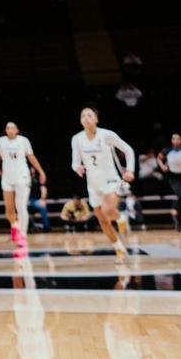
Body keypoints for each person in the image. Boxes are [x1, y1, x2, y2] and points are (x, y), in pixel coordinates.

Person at [71, 107, 135, 258]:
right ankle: (118, 247)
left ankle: (120, 218)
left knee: (107, 210)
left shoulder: (107, 135)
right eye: (83, 116)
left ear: (96, 119)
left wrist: (130, 170)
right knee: (102, 219)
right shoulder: (77, 138)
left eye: (89, 115)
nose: (86, 118)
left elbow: (129, 150)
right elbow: (74, 162)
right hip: (93, 184)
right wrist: (77, 167)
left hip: (111, 180)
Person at [0, 122, 48, 249]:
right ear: (5, 130)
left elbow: (31, 157)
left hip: (22, 177)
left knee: (21, 206)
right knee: (9, 211)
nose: (10, 129)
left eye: (13, 127)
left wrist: (41, 171)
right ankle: (14, 226)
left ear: (17, 130)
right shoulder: (1, 141)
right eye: (8, 127)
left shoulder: (24, 141)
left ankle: (23, 235)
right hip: (7, 178)